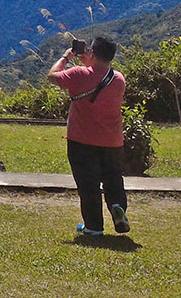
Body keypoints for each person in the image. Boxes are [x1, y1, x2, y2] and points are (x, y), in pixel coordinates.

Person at [47, 36, 129, 236]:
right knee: (113, 179)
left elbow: (53, 76)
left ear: (92, 52)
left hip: (82, 140)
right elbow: (97, 75)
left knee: (88, 183)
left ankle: (93, 227)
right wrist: (89, 60)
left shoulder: (78, 74)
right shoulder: (118, 79)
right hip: (112, 141)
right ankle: (117, 206)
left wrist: (66, 57)